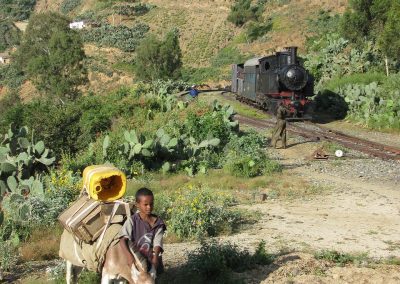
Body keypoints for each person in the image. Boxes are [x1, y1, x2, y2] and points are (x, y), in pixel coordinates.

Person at [119, 188, 166, 275]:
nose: (149, 207)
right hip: (137, 260)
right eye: (146, 204)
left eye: (151, 204)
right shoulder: (132, 221)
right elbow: (122, 240)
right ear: (137, 205)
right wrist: (129, 257)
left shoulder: (158, 223)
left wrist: (155, 259)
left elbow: (157, 243)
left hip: (152, 260)